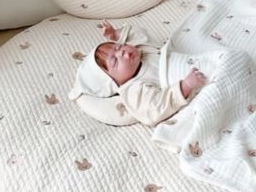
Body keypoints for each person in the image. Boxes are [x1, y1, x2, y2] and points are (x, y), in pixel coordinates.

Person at [68, 20, 207, 126]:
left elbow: (139, 34)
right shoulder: (134, 88)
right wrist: (185, 86)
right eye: (115, 61)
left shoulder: (141, 51)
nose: (122, 52)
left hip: (195, 58)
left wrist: (116, 35)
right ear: (113, 82)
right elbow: (155, 109)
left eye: (119, 47)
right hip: (194, 80)